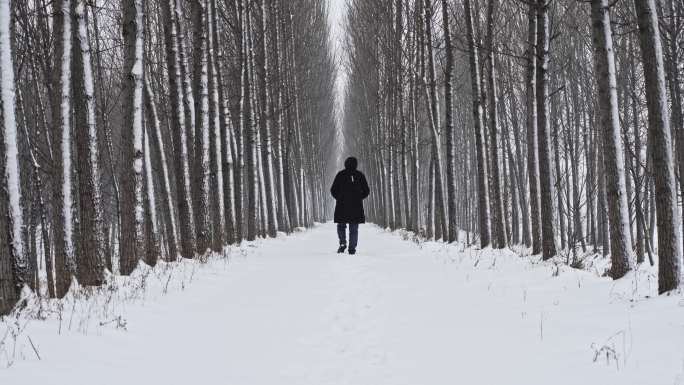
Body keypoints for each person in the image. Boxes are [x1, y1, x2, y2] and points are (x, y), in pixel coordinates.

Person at [330, 157, 370, 254]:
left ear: (345, 163)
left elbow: (333, 190)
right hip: (356, 207)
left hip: (342, 206)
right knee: (354, 228)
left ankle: (342, 243)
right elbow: (366, 191)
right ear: (356, 164)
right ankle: (352, 248)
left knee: (341, 226)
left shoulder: (340, 175)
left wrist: (339, 198)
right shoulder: (360, 175)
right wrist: (359, 197)